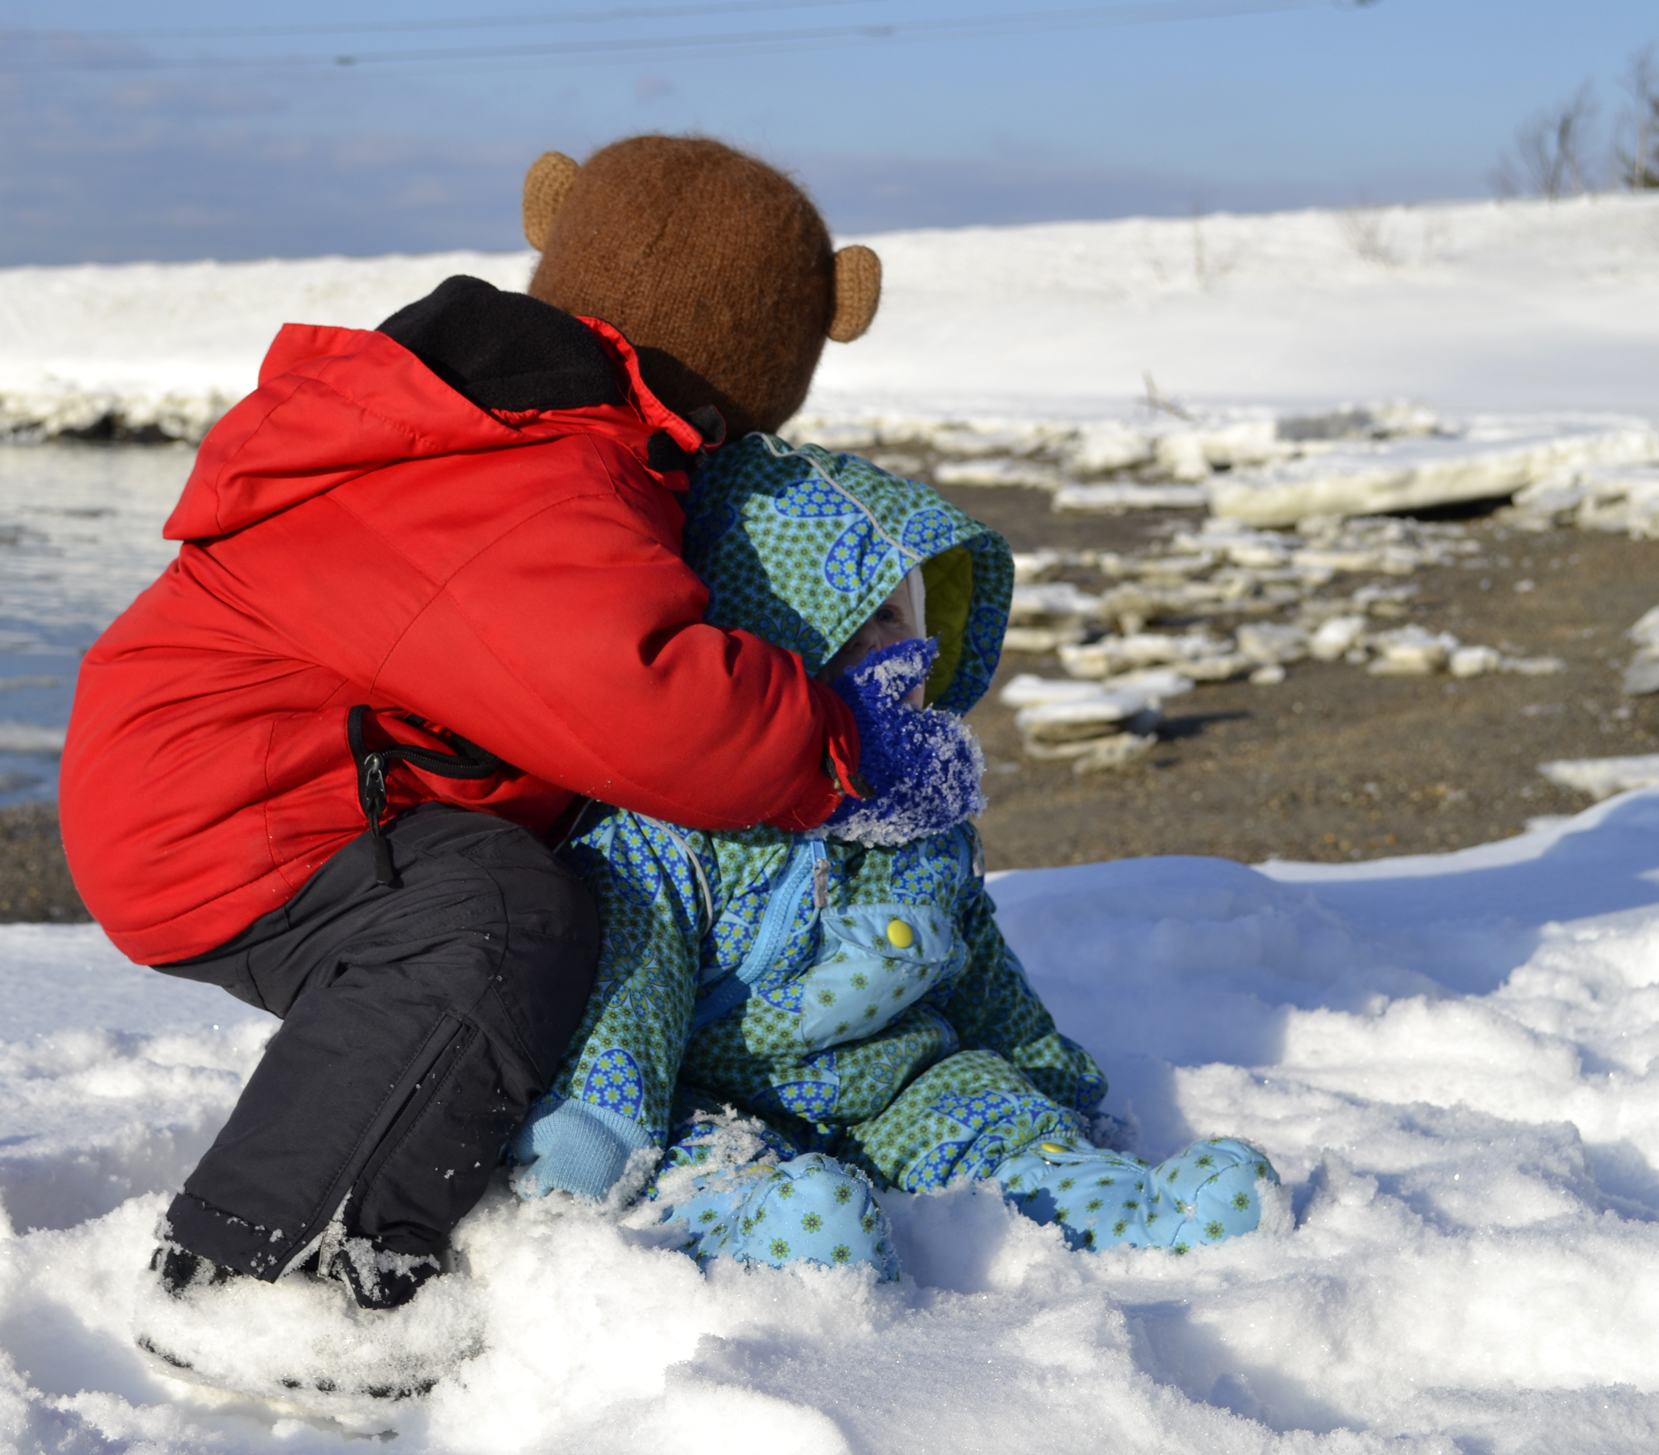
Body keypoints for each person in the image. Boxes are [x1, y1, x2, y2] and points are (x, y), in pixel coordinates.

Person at [61, 136, 905, 1308]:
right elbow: (648, 702)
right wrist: (845, 740)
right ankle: (268, 1267)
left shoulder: (500, 424)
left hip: (259, 779)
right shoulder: (534, 475)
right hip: (232, 808)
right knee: (489, 927)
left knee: (534, 910)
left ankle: (475, 1121)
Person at [511, 433, 1278, 1273]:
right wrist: (594, 1134)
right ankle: (774, 1238)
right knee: (719, 1166)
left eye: (896, 617)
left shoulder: (926, 816)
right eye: (848, 623)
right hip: (719, 1093)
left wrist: (1044, 1080)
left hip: (900, 1082)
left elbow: (976, 960)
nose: (884, 646)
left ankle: (1119, 1210)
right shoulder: (679, 829)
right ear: (761, 639)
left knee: (987, 1107)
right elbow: (636, 986)